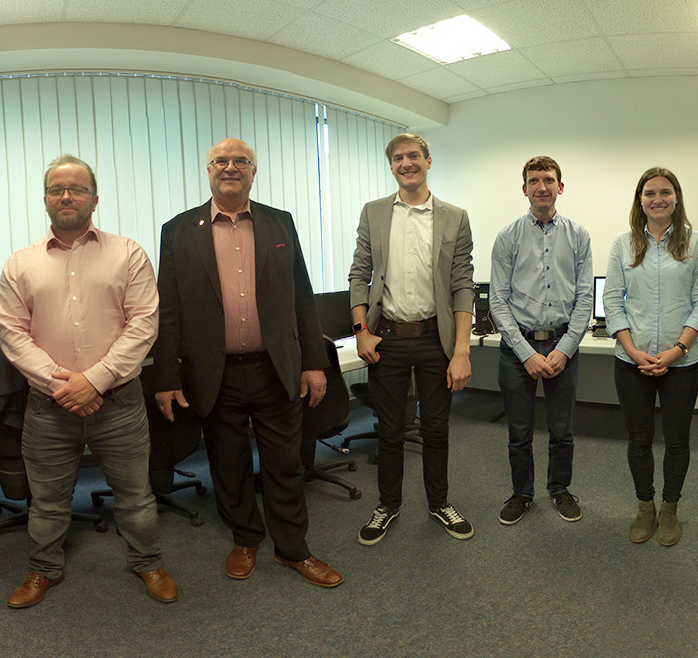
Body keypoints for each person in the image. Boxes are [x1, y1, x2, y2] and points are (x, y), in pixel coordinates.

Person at [151, 138, 342, 589]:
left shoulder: (280, 222)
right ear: (209, 170)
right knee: (227, 461)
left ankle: (293, 548)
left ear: (254, 171)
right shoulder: (178, 230)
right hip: (212, 371)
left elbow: (301, 295)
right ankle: (244, 538)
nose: (230, 167)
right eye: (220, 160)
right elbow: (168, 309)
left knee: (285, 463)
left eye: (241, 161)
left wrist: (314, 362)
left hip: (275, 367)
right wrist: (165, 375)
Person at [0, 155, 174, 608]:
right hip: (48, 407)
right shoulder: (20, 263)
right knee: (47, 501)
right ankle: (44, 569)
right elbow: (12, 333)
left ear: (94, 199)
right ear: (45, 200)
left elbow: (144, 324)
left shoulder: (128, 253)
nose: (66, 196)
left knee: (135, 496)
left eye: (77, 188)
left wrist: (94, 381)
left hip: (119, 404)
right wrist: (63, 386)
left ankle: (148, 562)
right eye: (57, 189)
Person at [345, 133, 477, 546]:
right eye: (398, 157)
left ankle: (439, 503)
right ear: (391, 166)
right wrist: (361, 332)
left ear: (428, 160)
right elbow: (359, 274)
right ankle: (388, 505)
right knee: (389, 431)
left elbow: (462, 285)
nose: (406, 163)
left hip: (435, 339)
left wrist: (461, 351)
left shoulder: (455, 217)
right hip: (387, 338)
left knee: (436, 429)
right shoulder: (374, 212)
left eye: (414, 155)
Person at [605, 168, 698, 547]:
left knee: (677, 440)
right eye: (649, 193)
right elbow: (612, 301)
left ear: (677, 197)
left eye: (665, 192)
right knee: (639, 439)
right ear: (640, 199)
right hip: (631, 363)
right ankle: (645, 506)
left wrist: (677, 350)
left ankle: (669, 508)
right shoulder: (622, 244)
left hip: (680, 364)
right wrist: (633, 351)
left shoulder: (697, 244)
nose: (657, 199)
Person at [488, 156, 594, 526]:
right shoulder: (507, 237)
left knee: (562, 431)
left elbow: (585, 299)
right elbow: (498, 301)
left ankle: (559, 489)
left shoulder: (578, 236)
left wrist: (565, 349)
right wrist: (525, 352)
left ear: (560, 187)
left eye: (548, 179)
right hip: (518, 349)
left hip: (563, 345)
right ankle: (522, 493)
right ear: (525, 189)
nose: (542, 187)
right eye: (534, 181)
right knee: (519, 432)